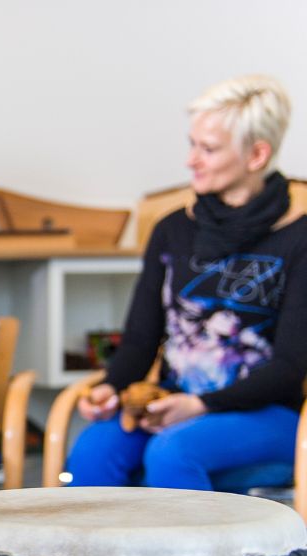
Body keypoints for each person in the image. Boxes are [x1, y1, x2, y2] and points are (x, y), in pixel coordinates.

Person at [67, 75, 307, 489]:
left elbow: (289, 367)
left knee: (173, 451)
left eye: (208, 149)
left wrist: (201, 404)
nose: (190, 160)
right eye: (192, 143)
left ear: (257, 155)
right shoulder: (173, 230)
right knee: (92, 449)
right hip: (173, 401)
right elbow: (141, 338)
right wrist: (111, 385)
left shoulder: (300, 238)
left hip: (270, 414)